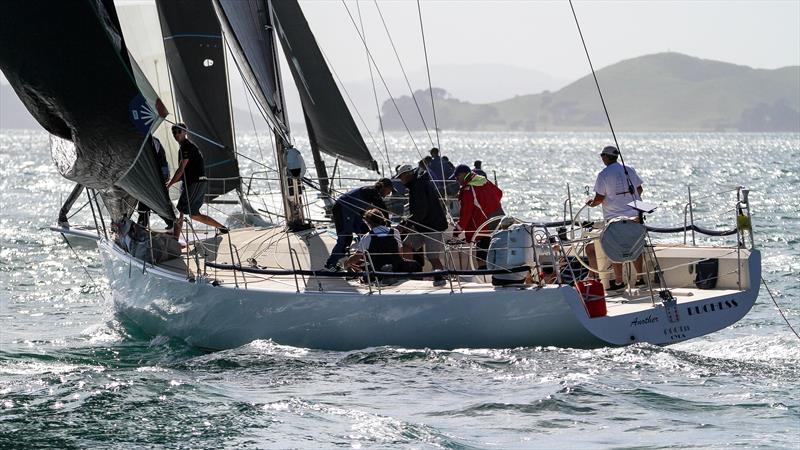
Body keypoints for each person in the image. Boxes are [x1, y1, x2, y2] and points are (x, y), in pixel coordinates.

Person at [585, 145, 645, 291]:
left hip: (614, 219)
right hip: (634, 216)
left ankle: (619, 282)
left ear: (606, 157)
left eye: (602, 156)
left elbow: (599, 198)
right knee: (636, 245)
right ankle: (640, 278)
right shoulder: (629, 169)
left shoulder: (603, 174)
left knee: (615, 247)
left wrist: (591, 204)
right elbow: (640, 189)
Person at [166, 123, 227, 238]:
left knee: (181, 210)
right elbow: (185, 171)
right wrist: (172, 182)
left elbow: (181, 170)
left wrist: (169, 185)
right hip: (197, 182)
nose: (176, 134)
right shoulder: (186, 147)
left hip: (195, 183)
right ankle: (222, 228)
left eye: (179, 131)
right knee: (194, 214)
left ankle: (175, 239)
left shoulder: (186, 147)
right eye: (174, 132)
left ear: (185, 132)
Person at [394, 164, 449, 287]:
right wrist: (407, 224)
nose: (400, 180)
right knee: (407, 246)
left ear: (407, 175)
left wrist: (405, 225)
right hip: (422, 226)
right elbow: (419, 213)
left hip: (433, 227)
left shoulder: (418, 186)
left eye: (401, 177)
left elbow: (420, 212)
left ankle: (442, 280)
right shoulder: (416, 185)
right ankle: (410, 274)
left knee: (433, 257)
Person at [324, 178, 395, 270]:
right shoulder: (371, 191)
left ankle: (366, 260)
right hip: (342, 209)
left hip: (354, 212)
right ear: (383, 187)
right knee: (345, 238)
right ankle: (330, 264)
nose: (389, 194)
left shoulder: (372, 193)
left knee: (365, 233)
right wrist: (388, 227)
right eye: (389, 190)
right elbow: (382, 208)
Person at [451, 164, 504, 270]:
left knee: (481, 259)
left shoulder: (467, 191)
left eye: (457, 177)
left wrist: (456, 232)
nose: (457, 181)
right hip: (499, 223)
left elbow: (465, 215)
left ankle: (485, 280)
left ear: (463, 175)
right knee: (498, 254)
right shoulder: (484, 181)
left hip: (483, 228)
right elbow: (499, 193)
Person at [344, 209, 421, 277]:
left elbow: (356, 257)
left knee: (366, 268)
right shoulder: (395, 232)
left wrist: (347, 263)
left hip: (378, 269)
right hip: (396, 267)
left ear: (368, 223)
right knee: (416, 265)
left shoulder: (367, 237)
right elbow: (400, 254)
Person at [136, 135, 173, 229]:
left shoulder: (151, 141)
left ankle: (171, 222)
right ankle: (142, 224)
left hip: (156, 177)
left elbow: (157, 160)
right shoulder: (151, 140)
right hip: (153, 177)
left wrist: (164, 178)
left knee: (152, 201)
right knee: (147, 201)